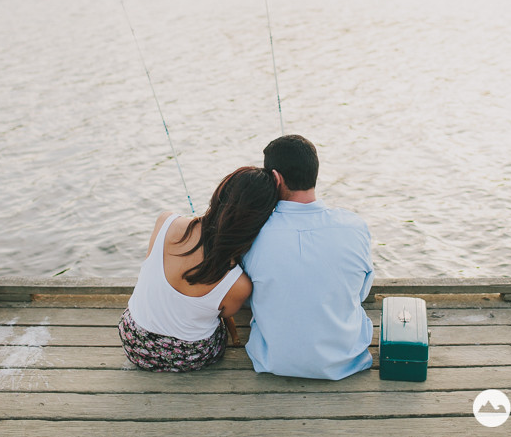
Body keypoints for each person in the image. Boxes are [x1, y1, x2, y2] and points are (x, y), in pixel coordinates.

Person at [119, 166, 279, 372]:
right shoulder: (238, 284)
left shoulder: (165, 222)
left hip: (134, 340)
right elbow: (225, 314)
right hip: (190, 356)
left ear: (219, 192)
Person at [242, 135, 374, 380]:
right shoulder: (354, 226)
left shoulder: (254, 232)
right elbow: (360, 293)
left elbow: (248, 296)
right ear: (315, 173)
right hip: (346, 361)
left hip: (273, 360)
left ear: (275, 178)